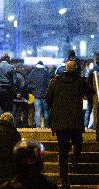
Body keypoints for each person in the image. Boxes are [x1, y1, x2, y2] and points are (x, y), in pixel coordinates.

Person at [46, 60, 93, 189]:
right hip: (75, 121)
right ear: (76, 68)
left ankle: (64, 178)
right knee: (78, 142)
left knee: (63, 150)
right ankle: (75, 161)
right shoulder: (80, 81)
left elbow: (48, 98)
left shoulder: (56, 81)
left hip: (60, 122)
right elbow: (91, 92)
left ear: (65, 68)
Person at [28, 61, 50, 128]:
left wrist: (32, 91)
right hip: (45, 95)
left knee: (37, 112)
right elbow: (48, 83)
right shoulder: (46, 72)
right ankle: (46, 127)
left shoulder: (32, 72)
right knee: (46, 112)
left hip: (36, 95)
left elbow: (29, 83)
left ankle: (38, 127)